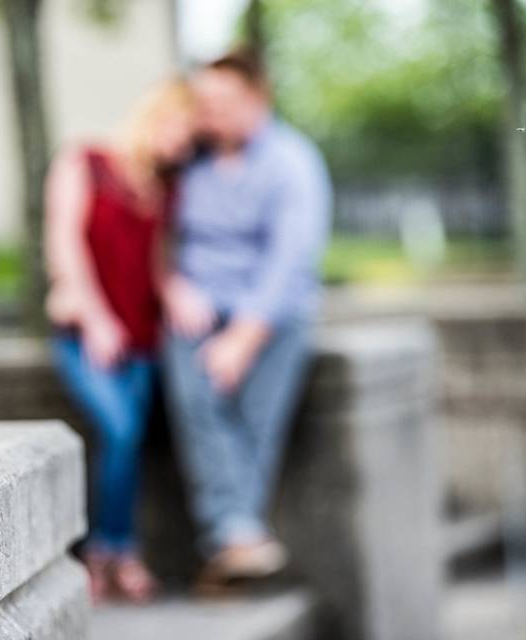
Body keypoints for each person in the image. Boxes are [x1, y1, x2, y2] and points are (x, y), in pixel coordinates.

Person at [161, 49, 331, 589]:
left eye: (222, 101)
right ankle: (239, 537)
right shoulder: (186, 161)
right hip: (196, 307)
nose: (208, 112)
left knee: (258, 420)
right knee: (197, 400)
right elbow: (156, 235)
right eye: (201, 101)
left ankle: (231, 540)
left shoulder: (292, 161)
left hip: (274, 312)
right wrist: (173, 285)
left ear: (257, 98)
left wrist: (243, 339)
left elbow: (291, 260)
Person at [44, 79, 196, 603]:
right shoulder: (84, 161)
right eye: (180, 131)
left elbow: (158, 262)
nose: (184, 146)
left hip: (144, 340)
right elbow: (64, 242)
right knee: (122, 429)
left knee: (124, 443)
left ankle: (117, 553)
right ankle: (105, 551)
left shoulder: (164, 188)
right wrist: (95, 318)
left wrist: (176, 294)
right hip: (86, 333)